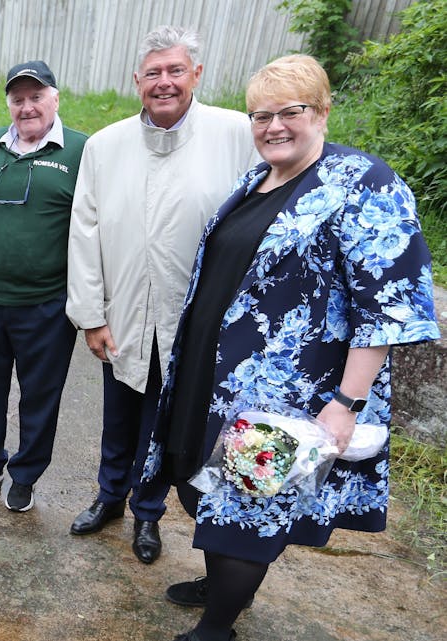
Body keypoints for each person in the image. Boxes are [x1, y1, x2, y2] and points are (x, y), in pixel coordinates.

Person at [142, 55, 440, 641]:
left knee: (249, 510)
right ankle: (222, 586)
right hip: (212, 375)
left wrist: (346, 404)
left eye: (290, 112)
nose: (273, 126)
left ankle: (217, 626)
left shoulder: (364, 183)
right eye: (260, 115)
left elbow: (389, 307)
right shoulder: (256, 179)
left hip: (287, 398)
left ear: (323, 110)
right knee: (201, 484)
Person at [66, 26, 259, 563]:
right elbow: (84, 231)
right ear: (137, 81)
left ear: (197, 75)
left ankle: (148, 514)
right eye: (153, 72)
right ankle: (109, 497)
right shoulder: (106, 146)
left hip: (195, 317)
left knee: (165, 419)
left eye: (176, 70)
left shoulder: (234, 135)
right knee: (118, 411)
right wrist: (90, 315)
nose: (165, 82)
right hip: (124, 310)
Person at [0, 61, 87, 512]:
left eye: (36, 97)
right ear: (9, 104)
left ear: (55, 98)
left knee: (39, 396)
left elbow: (97, 227)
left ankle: (26, 474)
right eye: (18, 99)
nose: (27, 107)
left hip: (47, 304)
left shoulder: (80, 152)